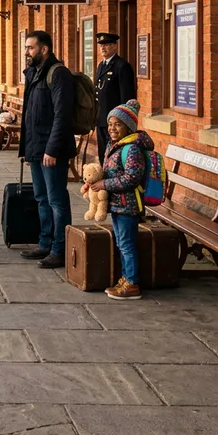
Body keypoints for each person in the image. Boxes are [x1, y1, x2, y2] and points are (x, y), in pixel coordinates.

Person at [18, 30, 76, 269]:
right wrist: (27, 152)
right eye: (26, 48)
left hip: (53, 151)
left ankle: (60, 248)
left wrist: (51, 150)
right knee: (41, 198)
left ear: (44, 49)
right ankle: (45, 242)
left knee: (56, 200)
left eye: (31, 48)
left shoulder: (58, 73)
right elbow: (29, 117)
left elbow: (62, 116)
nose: (26, 52)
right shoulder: (34, 73)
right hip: (36, 149)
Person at [86, 99, 149, 300]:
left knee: (126, 243)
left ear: (128, 127)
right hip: (117, 203)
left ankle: (132, 283)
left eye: (118, 124)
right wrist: (94, 182)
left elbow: (132, 178)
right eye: (110, 124)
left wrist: (104, 185)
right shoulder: (116, 145)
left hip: (128, 204)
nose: (112, 128)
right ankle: (125, 278)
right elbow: (109, 171)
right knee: (122, 243)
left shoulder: (132, 149)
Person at [95, 32, 136, 164]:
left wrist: (123, 122)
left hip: (116, 122)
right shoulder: (101, 66)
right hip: (101, 119)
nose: (103, 48)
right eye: (101, 45)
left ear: (115, 47)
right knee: (103, 154)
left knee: (115, 156)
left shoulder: (122, 66)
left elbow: (127, 97)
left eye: (106, 45)